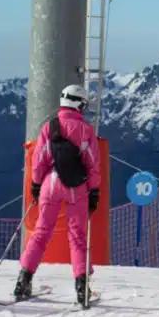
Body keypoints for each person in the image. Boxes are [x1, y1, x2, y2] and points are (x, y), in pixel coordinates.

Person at [15, 82, 101, 305]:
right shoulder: (86, 130)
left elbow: (39, 159)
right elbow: (92, 164)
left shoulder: (49, 127)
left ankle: (23, 279)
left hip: (50, 183)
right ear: (79, 105)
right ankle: (82, 288)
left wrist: (35, 184)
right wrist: (94, 191)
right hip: (76, 187)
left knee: (42, 231)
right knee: (77, 237)